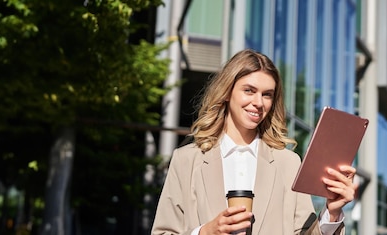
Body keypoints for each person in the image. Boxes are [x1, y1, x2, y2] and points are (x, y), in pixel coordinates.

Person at [151, 49, 357, 235]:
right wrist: (205, 232)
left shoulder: (288, 163)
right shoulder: (187, 160)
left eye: (267, 95)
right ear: (226, 92)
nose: (258, 103)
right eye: (249, 90)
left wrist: (332, 212)